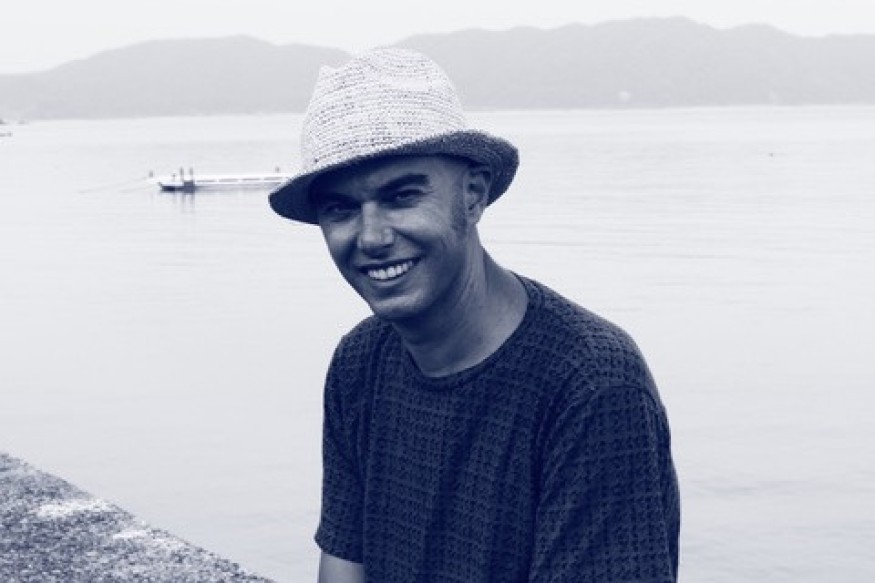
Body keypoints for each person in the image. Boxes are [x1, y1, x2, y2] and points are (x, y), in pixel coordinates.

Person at [269, 47, 680, 583]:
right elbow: (345, 563)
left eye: (401, 196)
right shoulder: (360, 361)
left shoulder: (590, 382)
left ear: (473, 194)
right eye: (340, 209)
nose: (371, 237)